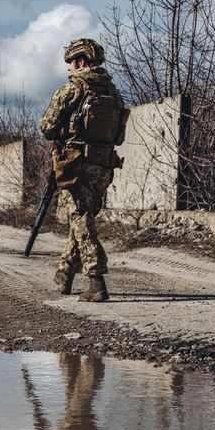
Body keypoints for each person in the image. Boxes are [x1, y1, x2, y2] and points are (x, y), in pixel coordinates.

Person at [39, 38, 127, 302]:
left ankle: (96, 281)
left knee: (81, 221)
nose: (69, 68)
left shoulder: (73, 89)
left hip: (75, 166)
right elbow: (119, 135)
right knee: (81, 220)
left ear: (80, 61)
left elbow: (46, 127)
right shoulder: (113, 93)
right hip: (103, 166)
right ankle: (65, 273)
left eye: (70, 63)